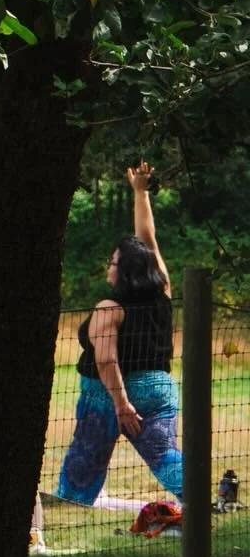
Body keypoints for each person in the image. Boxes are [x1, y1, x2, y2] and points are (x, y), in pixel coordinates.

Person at [56, 161, 181, 506]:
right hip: (159, 388)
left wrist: (122, 404)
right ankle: (202, 494)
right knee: (165, 456)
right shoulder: (163, 291)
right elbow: (148, 241)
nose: (108, 267)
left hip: (110, 394)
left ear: (123, 271)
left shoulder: (109, 308)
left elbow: (107, 359)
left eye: (112, 262)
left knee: (84, 462)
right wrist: (140, 193)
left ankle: (73, 502)